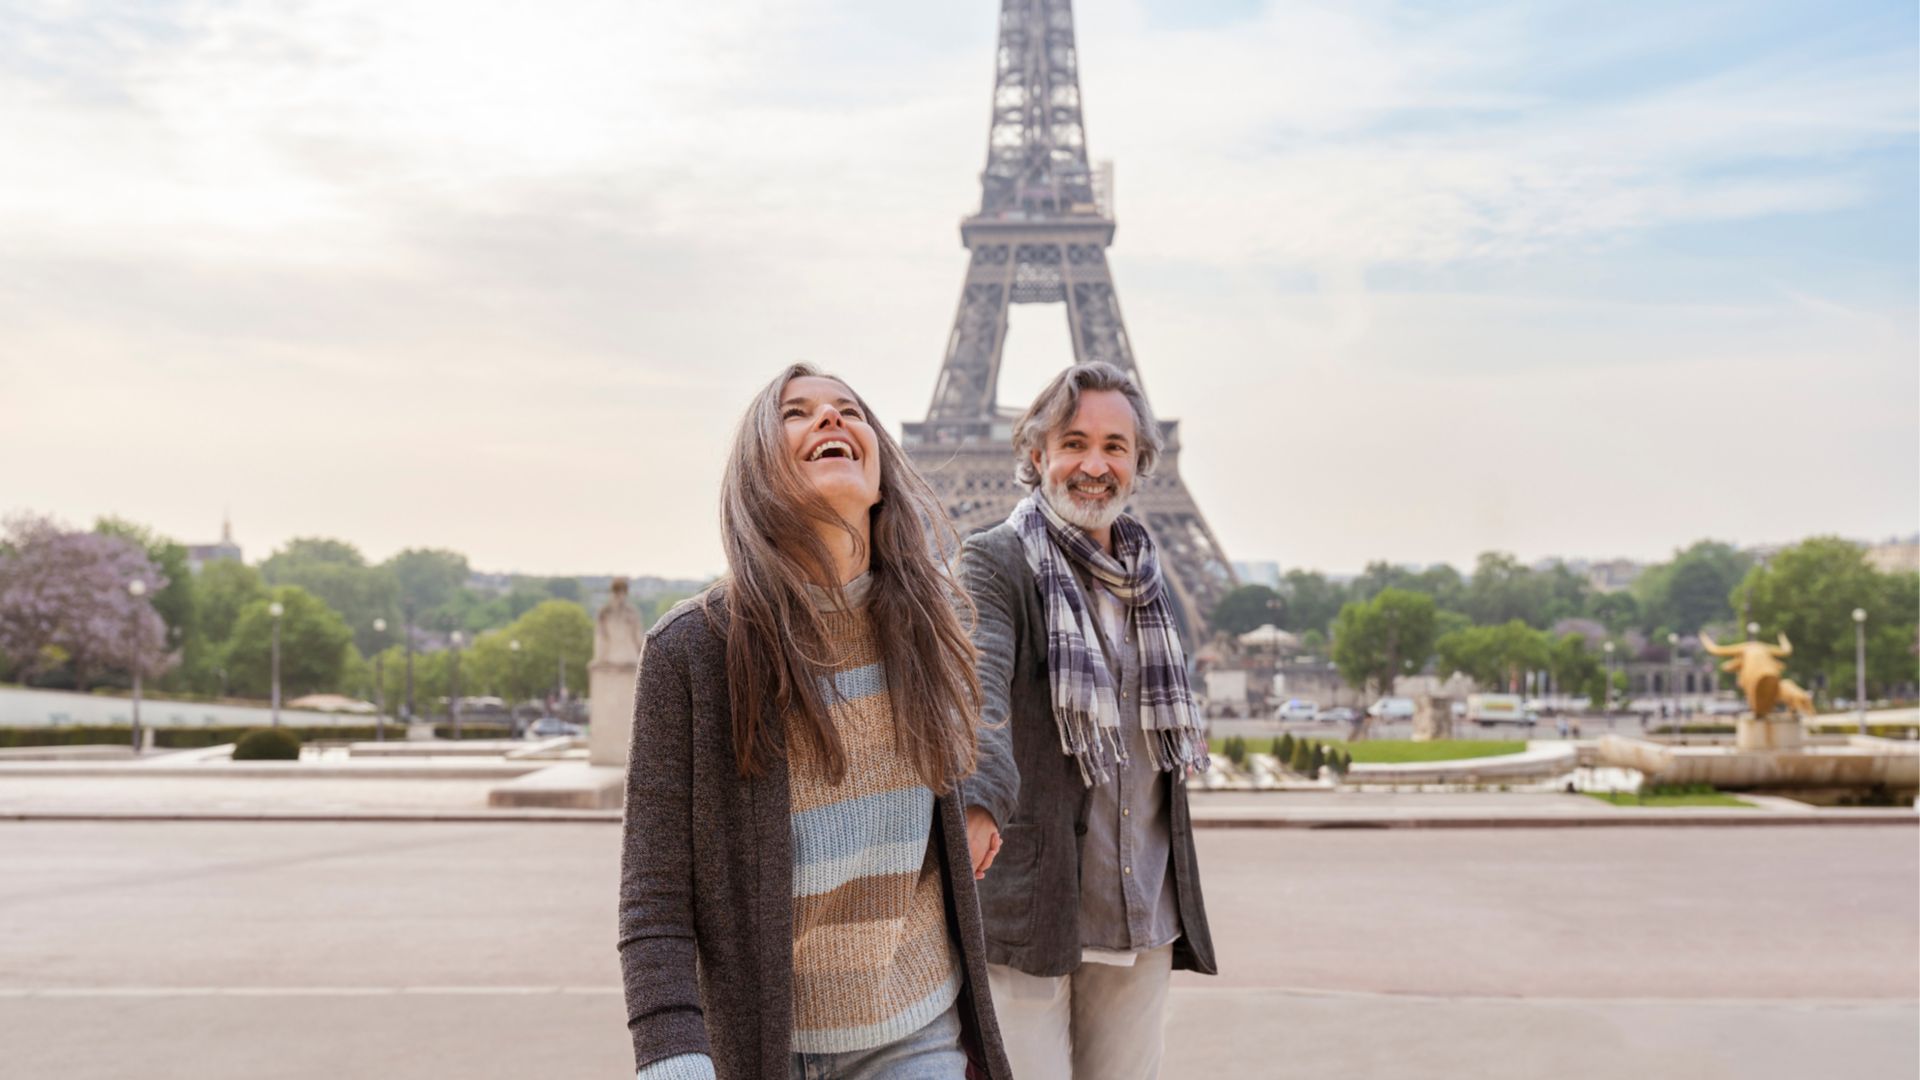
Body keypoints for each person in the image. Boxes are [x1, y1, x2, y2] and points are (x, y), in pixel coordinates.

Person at [618, 364, 1012, 1080]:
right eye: (796, 413)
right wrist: (670, 1056)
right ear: (756, 474)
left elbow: (983, 730)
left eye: (849, 410)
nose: (830, 419)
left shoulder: (931, 625)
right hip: (769, 1043)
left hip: (917, 1025)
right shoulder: (695, 651)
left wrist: (986, 795)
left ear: (883, 464)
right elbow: (654, 895)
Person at [958, 361, 1217, 1080]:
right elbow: (979, 684)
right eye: (1073, 443)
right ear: (1036, 455)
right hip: (1033, 901)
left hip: (1140, 905)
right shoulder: (995, 561)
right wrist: (979, 793)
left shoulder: (1147, 576)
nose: (1093, 464)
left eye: (1113, 446)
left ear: (1140, 464)